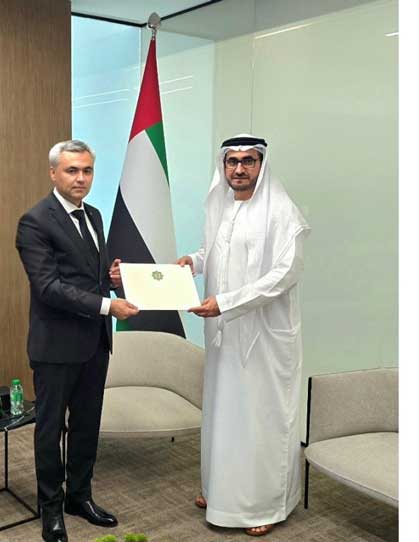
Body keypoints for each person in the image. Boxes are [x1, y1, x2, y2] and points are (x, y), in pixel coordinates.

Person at [176, 134, 311, 537]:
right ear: (223, 166)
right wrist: (193, 262)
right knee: (222, 410)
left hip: (265, 339)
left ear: (261, 165)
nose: (238, 169)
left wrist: (227, 302)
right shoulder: (221, 206)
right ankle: (220, 491)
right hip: (223, 333)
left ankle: (262, 504)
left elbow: (284, 275)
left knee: (259, 417)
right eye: (231, 161)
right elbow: (216, 252)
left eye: (248, 161)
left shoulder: (281, 212)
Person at [16, 139, 139, 542]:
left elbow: (89, 276)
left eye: (87, 170)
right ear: (53, 173)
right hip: (55, 347)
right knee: (50, 430)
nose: (81, 178)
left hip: (94, 344)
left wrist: (111, 279)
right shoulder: (35, 222)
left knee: (87, 425)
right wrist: (107, 305)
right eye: (72, 170)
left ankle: (79, 497)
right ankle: (51, 509)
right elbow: (49, 288)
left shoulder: (95, 215)